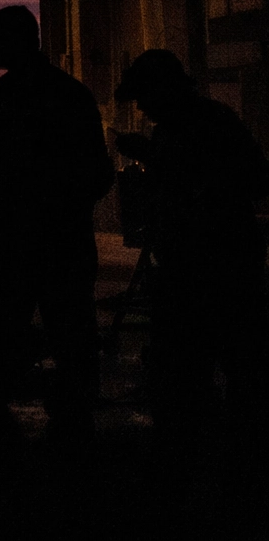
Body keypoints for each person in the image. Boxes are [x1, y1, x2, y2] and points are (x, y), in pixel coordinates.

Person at [0, 5, 113, 450]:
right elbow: (97, 171)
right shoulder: (71, 94)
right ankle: (74, 406)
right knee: (70, 323)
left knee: (3, 320)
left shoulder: (2, 96)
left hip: (18, 234)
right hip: (62, 234)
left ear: (17, 40)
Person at [113, 49, 269, 460]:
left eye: (145, 98)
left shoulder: (196, 127)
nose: (142, 108)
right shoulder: (206, 121)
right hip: (218, 258)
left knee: (205, 360)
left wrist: (150, 157)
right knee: (231, 358)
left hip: (209, 262)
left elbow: (219, 177)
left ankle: (215, 450)